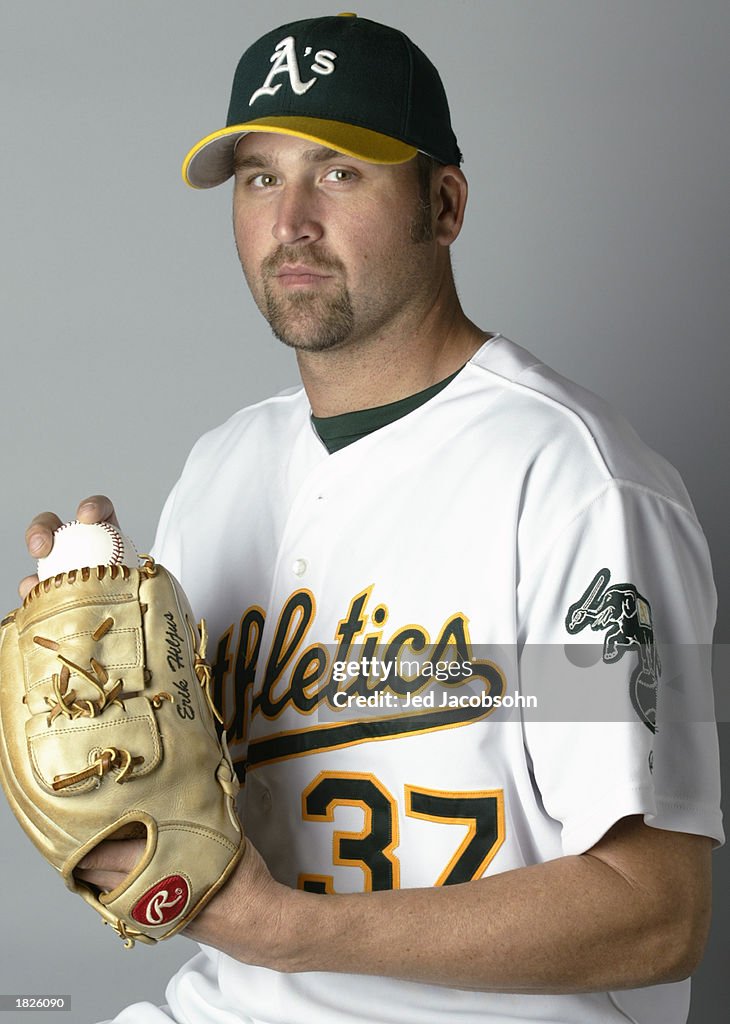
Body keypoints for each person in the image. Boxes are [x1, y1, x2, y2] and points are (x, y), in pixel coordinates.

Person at [20, 13, 723, 1024]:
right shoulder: (220, 470)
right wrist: (102, 763)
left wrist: (284, 929)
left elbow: (654, 916)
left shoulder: (567, 483)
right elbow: (175, 849)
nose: (290, 219)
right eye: (260, 177)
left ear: (443, 205)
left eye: (340, 172)